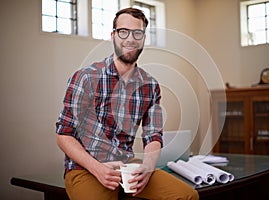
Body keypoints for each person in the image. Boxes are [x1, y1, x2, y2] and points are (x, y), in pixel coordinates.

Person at [55, 7, 199, 200]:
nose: (130, 39)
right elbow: (64, 134)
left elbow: (153, 136)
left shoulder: (150, 86)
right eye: (123, 32)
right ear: (113, 36)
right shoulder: (86, 77)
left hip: (127, 167)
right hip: (85, 169)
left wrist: (147, 168)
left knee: (188, 196)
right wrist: (97, 168)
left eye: (137, 33)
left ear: (143, 39)